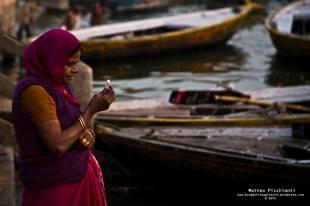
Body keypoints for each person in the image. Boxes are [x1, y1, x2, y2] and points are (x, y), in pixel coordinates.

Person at [12, 29, 115, 206]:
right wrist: (90, 110)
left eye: (76, 63)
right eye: (68, 64)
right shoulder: (36, 92)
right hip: (55, 190)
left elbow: (67, 129)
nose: (75, 70)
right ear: (50, 61)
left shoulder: (57, 85)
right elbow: (58, 145)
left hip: (73, 179)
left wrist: (84, 137)